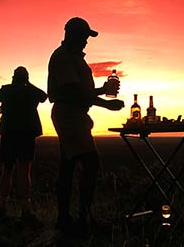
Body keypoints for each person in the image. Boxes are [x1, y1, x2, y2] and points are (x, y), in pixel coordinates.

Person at [48, 17, 124, 236]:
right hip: (70, 116)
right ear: (71, 34)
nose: (86, 42)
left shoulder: (72, 57)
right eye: (84, 37)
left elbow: (79, 90)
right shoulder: (64, 57)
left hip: (74, 115)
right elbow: (72, 92)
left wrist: (101, 90)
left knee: (69, 165)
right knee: (91, 162)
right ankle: (82, 218)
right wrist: (105, 103)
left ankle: (67, 219)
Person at [0, 66, 47, 217]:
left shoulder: (6, 90)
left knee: (7, 170)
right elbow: (44, 96)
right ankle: (26, 208)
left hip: (9, 134)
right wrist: (28, 84)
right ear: (27, 78)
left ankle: (3, 205)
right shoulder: (31, 92)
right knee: (24, 170)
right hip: (26, 135)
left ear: (13, 77)